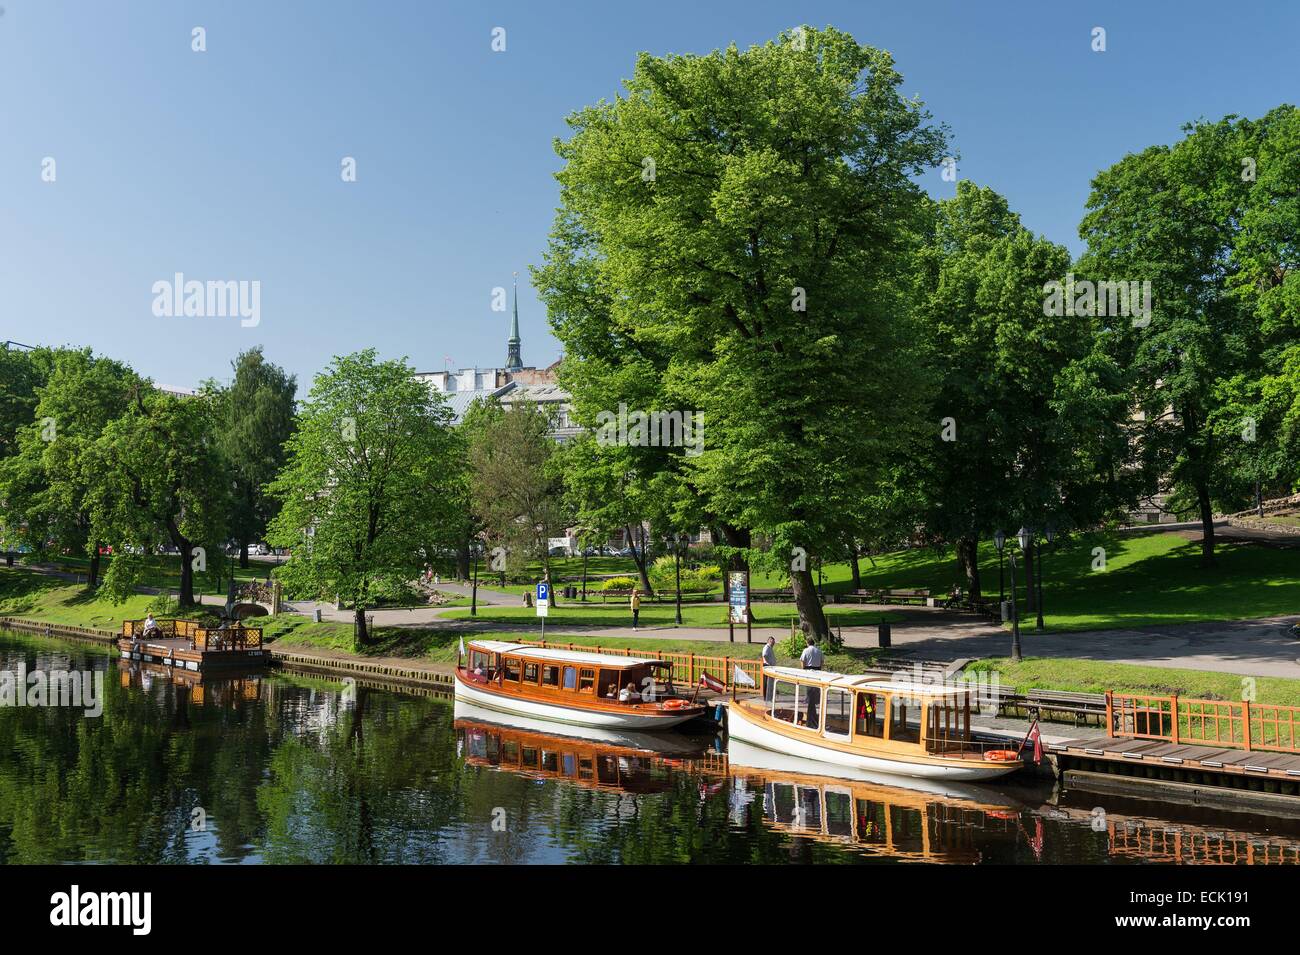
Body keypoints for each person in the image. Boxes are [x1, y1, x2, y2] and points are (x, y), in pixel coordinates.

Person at [761, 636, 777, 701]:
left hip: (770, 666)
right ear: (769, 641)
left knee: (769, 683)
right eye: (772, 642)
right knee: (767, 682)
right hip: (767, 666)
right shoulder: (767, 647)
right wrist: (768, 663)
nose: (773, 644)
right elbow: (764, 655)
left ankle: (769, 697)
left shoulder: (770, 648)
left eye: (774, 642)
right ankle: (766, 697)